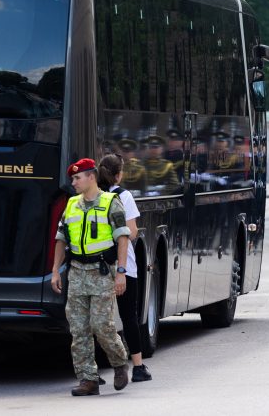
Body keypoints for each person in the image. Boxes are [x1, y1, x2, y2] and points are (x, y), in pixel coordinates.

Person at [51, 158, 131, 396]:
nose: (73, 182)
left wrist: (121, 273)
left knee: (101, 325)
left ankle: (119, 363)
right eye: (72, 179)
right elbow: (61, 239)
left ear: (91, 177)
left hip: (101, 272)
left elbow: (123, 239)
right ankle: (88, 379)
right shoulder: (72, 204)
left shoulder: (111, 203)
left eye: (77, 178)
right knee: (78, 329)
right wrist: (56, 270)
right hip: (76, 272)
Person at [97, 155, 153, 382]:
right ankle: (138, 366)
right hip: (124, 266)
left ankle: (94, 370)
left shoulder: (94, 197)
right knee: (130, 316)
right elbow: (131, 232)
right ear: (119, 174)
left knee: (98, 318)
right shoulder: (124, 196)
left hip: (98, 264)